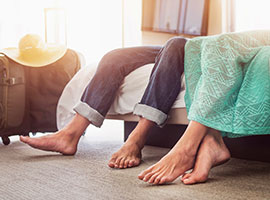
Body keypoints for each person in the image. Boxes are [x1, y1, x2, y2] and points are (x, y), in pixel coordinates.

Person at [20, 30, 270, 185]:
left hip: (188, 44)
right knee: (116, 56)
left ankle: (137, 139)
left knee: (175, 44)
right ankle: (70, 134)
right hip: (193, 44)